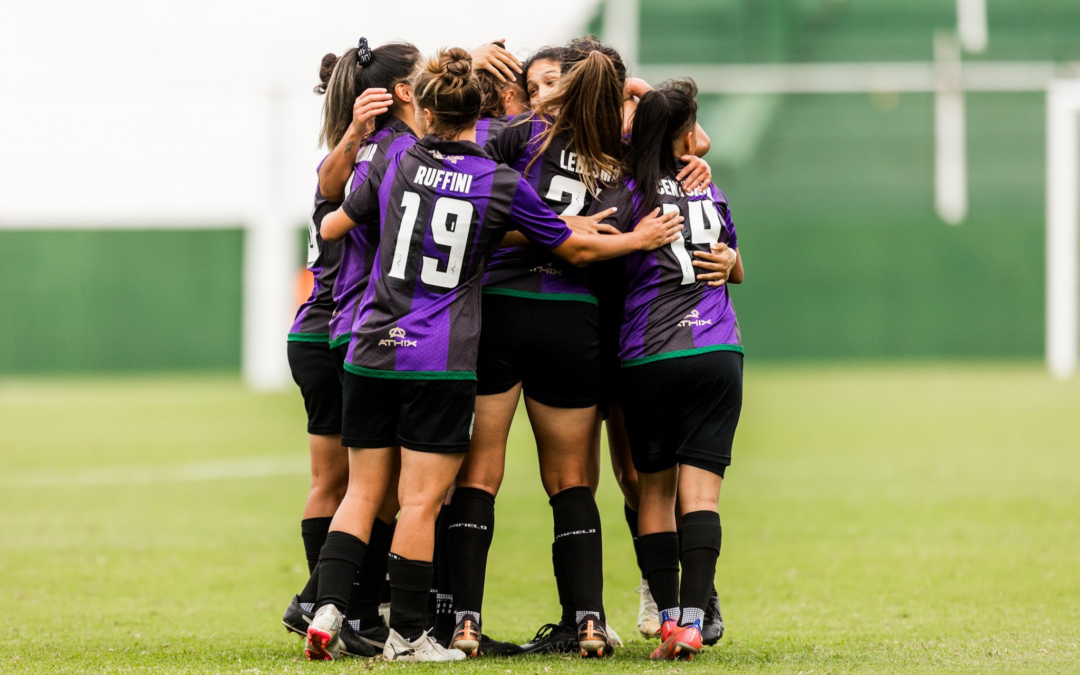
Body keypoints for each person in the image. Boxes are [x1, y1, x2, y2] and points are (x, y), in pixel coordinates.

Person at [300, 47, 684, 663]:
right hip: (499, 336)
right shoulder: (563, 161)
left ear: (424, 107)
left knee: (415, 486)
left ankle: (372, 613)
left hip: (418, 333)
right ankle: (576, 622)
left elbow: (333, 222)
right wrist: (614, 232)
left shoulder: (420, 156)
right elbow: (574, 234)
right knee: (556, 481)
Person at [589, 79, 743, 661]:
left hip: (650, 356)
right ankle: (695, 624)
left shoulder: (623, 194)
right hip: (719, 353)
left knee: (653, 494)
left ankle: (671, 612)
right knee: (702, 496)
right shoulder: (711, 192)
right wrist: (729, 260)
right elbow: (736, 269)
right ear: (684, 135)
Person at [280, 40, 416, 658]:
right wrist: (357, 132)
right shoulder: (360, 160)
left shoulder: (368, 156)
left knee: (343, 482)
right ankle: (333, 602)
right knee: (363, 482)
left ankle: (329, 602)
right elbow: (327, 188)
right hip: (335, 333)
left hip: (323, 332)